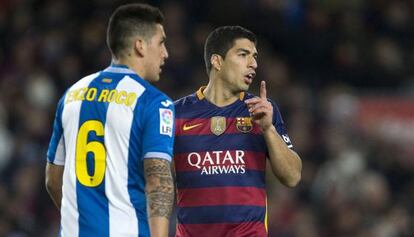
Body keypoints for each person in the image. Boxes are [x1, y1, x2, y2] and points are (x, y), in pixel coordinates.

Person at [45, 4, 174, 237]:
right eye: (162, 42)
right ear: (140, 46)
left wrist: (83, 219)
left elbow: (53, 179)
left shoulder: (72, 95)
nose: (166, 53)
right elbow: (158, 183)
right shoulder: (155, 103)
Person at [173, 26, 302, 236]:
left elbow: (293, 177)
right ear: (217, 61)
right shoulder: (176, 114)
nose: (253, 64)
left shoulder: (263, 109)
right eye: (243, 55)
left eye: (254, 57)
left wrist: (268, 129)